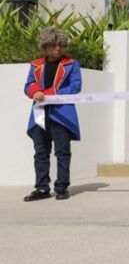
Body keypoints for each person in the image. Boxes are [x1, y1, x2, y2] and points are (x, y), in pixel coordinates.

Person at [23, 28, 81, 202]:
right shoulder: (36, 65)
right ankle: (42, 188)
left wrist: (48, 93)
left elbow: (75, 86)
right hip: (39, 113)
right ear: (45, 46)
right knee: (40, 152)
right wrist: (35, 92)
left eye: (61, 45)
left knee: (62, 152)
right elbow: (28, 85)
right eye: (54, 45)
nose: (58, 48)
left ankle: (62, 187)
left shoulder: (72, 64)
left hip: (62, 114)